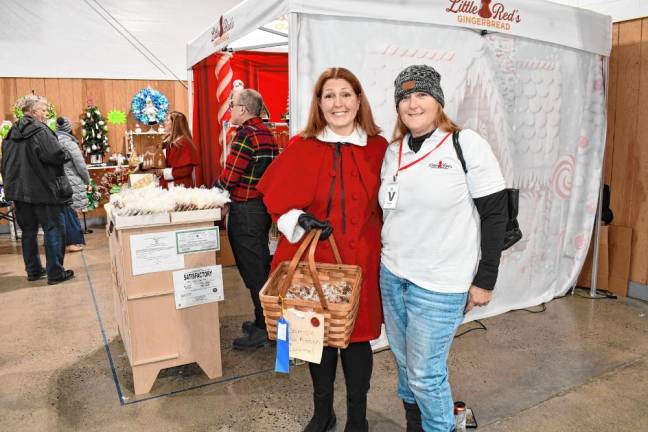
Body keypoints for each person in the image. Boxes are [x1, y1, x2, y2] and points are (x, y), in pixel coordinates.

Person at [378, 64, 508, 432]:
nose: (413, 103)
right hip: (393, 274)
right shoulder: (393, 152)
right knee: (406, 367)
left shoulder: (464, 144)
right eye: (405, 97)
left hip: (440, 284)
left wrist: (485, 280)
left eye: (421, 94)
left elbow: (496, 215)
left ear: (438, 101)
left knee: (425, 374)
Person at [257, 67, 387, 432]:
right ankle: (323, 411)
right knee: (317, 338)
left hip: (361, 259)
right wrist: (300, 218)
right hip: (315, 261)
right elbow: (276, 203)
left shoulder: (379, 148)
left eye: (345, 94)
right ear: (319, 103)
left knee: (358, 339)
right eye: (329, 95)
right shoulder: (303, 145)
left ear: (358, 99)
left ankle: (357, 418)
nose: (338, 103)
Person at [219, 89, 279, 349]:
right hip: (261, 209)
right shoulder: (267, 132)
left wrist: (213, 193)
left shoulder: (245, 135)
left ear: (242, 109)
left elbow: (230, 176)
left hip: (245, 211)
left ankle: (265, 327)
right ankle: (261, 320)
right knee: (260, 265)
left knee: (253, 271)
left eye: (232, 105)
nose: (231, 109)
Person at [0, 96, 75, 285]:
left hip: (19, 192)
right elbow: (55, 155)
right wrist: (65, 153)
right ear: (33, 112)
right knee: (53, 230)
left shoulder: (10, 134)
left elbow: (5, 165)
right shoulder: (40, 130)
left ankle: (33, 271)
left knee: (28, 232)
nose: (45, 113)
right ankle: (55, 273)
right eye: (43, 110)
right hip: (44, 191)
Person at [56, 117, 90, 252]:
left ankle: (65, 242)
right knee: (71, 212)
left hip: (57, 181)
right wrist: (87, 180)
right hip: (71, 181)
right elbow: (80, 165)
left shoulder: (52, 140)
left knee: (63, 213)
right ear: (68, 128)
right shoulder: (69, 143)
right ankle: (73, 243)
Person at [149, 111, 199, 189]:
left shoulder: (184, 143)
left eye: (167, 120)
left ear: (175, 124)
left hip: (179, 188)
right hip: (167, 187)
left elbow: (185, 170)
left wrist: (163, 172)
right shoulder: (167, 142)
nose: (164, 123)